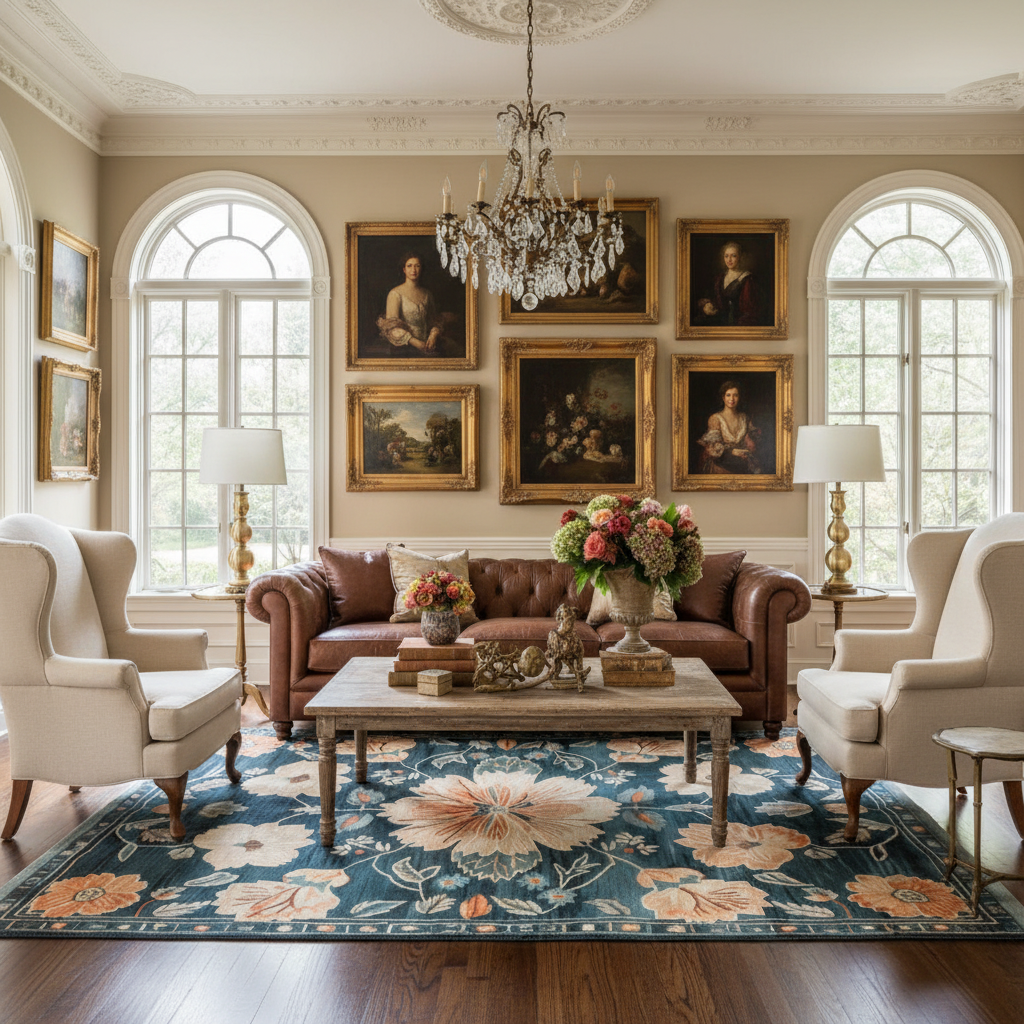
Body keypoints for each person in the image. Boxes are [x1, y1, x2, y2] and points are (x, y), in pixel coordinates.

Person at [376, 252, 448, 353]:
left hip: (427, 346)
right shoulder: (395, 293)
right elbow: (392, 328)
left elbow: (434, 320)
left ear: (421, 269)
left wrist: (433, 336)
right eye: (409, 266)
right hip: (403, 348)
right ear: (404, 270)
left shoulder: (427, 294)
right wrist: (414, 342)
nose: (413, 270)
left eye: (417, 266)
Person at [697, 380, 761, 474]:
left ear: (739, 397)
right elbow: (713, 447)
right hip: (721, 463)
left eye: (735, 395)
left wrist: (751, 442)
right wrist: (731, 451)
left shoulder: (745, 418)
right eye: (728, 395)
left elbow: (751, 441)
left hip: (741, 462)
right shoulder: (715, 418)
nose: (732, 399)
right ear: (723, 397)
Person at [696, 241, 764, 327]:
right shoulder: (719, 278)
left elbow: (750, 313)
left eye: (733, 256)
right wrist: (706, 305)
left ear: (740, 257)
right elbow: (713, 299)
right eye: (726, 256)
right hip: (717, 323)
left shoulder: (747, 279)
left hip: (736, 325)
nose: (729, 260)